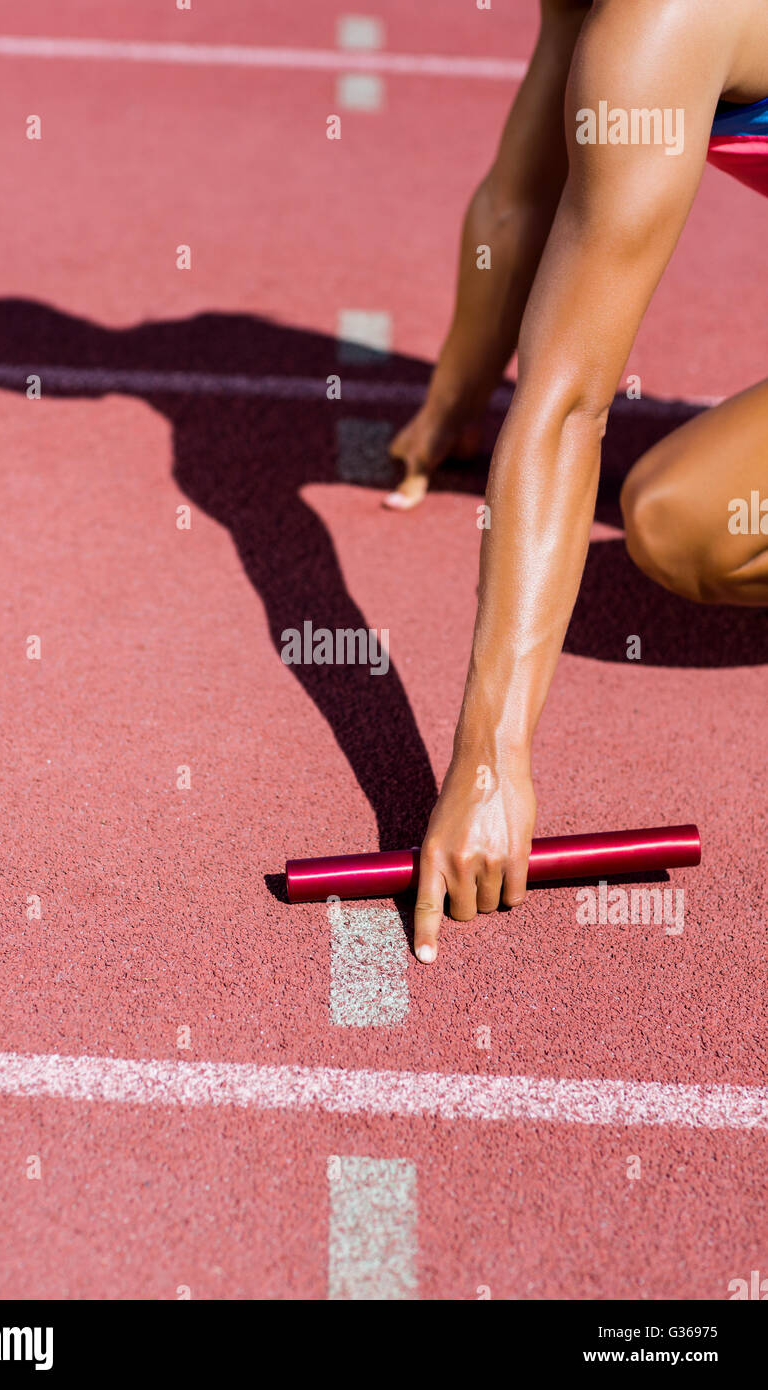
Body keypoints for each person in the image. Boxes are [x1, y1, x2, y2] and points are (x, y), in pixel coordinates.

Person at [384, 0, 768, 963]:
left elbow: (566, 410)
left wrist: (489, 763)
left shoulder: (665, 16)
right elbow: (519, 199)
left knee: (688, 524)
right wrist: (457, 397)